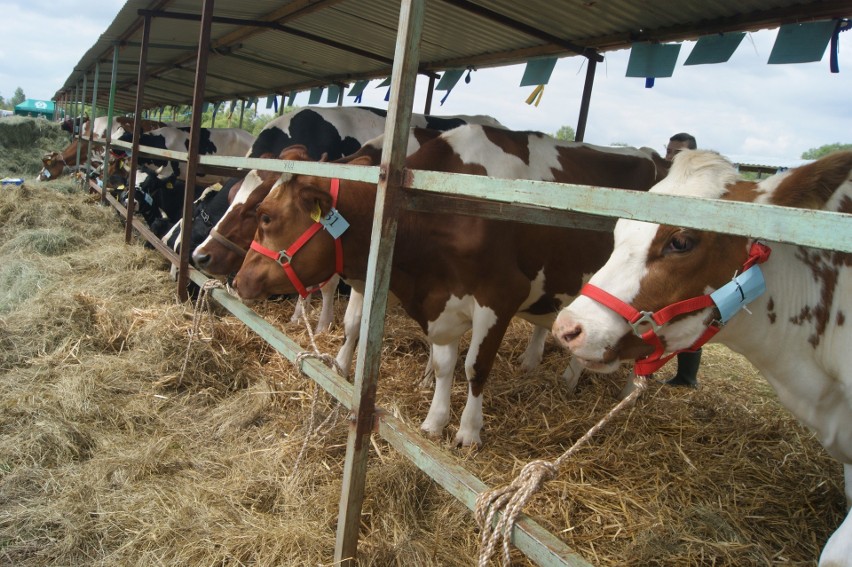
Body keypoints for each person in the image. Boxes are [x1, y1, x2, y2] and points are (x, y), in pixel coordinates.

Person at [661, 132, 702, 387]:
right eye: (668, 151)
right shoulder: (665, 178)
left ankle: (687, 378)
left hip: (685, 258)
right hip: (663, 256)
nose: (669, 157)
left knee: (688, 316)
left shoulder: (698, 185)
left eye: (677, 153)